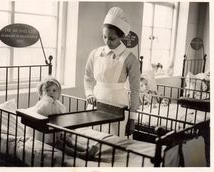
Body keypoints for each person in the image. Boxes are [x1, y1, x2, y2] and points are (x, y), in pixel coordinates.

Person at [84, 7, 140, 137]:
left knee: (114, 143)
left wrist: (132, 118)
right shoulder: (95, 54)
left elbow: (135, 90)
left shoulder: (130, 59)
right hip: (96, 103)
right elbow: (87, 77)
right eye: (104, 37)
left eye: (112, 38)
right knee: (92, 137)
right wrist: (89, 93)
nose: (107, 42)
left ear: (121, 37)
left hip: (118, 105)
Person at [30, 76, 98, 159]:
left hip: (57, 133)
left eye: (54, 90)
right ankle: (79, 155)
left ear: (58, 94)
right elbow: (43, 110)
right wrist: (47, 100)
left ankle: (85, 149)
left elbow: (62, 116)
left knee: (70, 141)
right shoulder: (42, 104)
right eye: (47, 90)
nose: (51, 93)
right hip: (46, 136)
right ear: (41, 94)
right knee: (61, 146)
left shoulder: (58, 104)